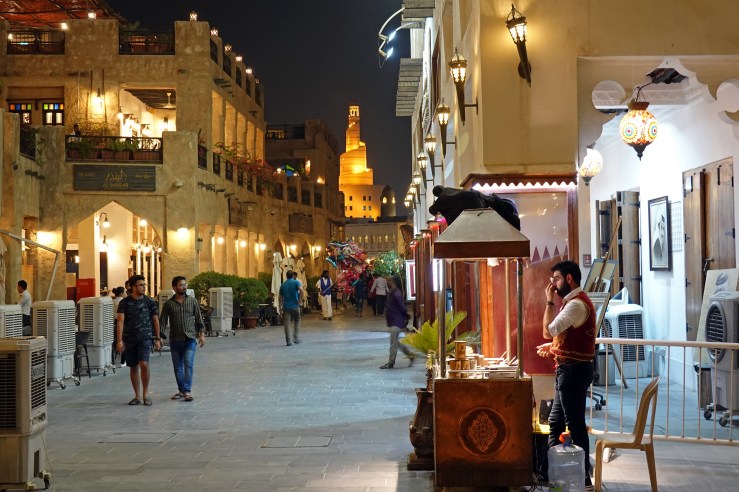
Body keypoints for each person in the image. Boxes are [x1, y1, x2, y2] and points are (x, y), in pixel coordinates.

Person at [537, 260, 596, 490]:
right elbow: (566, 337)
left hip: (573, 372)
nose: (552, 284)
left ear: (569, 279)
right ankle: (548, 473)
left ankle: (584, 478)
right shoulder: (573, 302)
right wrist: (553, 348)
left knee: (575, 424)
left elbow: (547, 330)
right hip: (568, 369)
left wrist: (548, 301)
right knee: (556, 421)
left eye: (556, 279)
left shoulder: (576, 305)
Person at [115, 275, 161, 406]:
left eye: (144, 285)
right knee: (133, 366)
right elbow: (120, 322)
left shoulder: (149, 301)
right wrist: (119, 341)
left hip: (145, 338)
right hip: (129, 338)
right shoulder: (124, 303)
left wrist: (157, 338)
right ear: (133, 287)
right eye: (141, 285)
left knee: (144, 364)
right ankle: (137, 396)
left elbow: (155, 320)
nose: (144, 287)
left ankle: (146, 393)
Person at [159, 276, 205, 402]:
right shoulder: (169, 304)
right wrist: (159, 337)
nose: (184, 287)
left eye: (185, 284)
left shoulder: (192, 301)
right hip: (175, 340)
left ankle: (187, 391)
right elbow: (162, 321)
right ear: (174, 287)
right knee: (177, 367)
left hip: (190, 338)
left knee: (188, 365)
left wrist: (201, 335)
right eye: (181, 285)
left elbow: (199, 319)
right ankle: (182, 390)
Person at [380, 276, 414, 369]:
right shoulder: (393, 293)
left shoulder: (396, 294)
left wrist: (406, 316)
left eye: (389, 280)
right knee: (395, 342)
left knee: (393, 343)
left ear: (394, 282)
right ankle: (410, 355)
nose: (387, 282)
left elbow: (402, 307)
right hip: (394, 321)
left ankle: (391, 363)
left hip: (396, 321)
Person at [279, 270, 303, 346]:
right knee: (297, 320)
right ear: (293, 276)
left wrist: (280, 306)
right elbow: (301, 290)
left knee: (287, 323)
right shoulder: (296, 282)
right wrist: (300, 300)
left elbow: (280, 297)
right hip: (295, 305)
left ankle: (288, 341)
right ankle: (295, 337)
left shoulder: (283, 285)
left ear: (286, 276)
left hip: (286, 306)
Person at [111, 286, 126, 365]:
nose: (126, 294)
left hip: (112, 323)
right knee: (124, 340)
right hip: (122, 322)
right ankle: (123, 360)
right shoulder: (123, 302)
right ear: (121, 293)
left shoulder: (111, 301)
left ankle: (112, 359)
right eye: (125, 292)